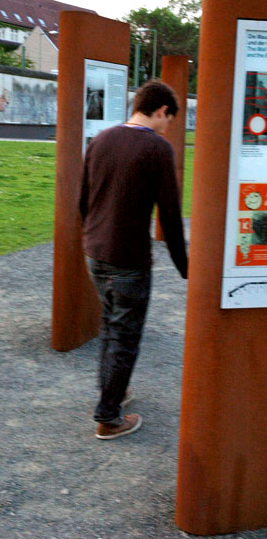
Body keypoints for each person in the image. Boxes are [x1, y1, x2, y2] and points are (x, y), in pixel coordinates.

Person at [79, 80, 188, 440]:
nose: (168, 127)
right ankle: (108, 417)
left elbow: (83, 200)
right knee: (124, 334)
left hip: (95, 253)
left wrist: (92, 237)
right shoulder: (157, 148)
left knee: (111, 325)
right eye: (169, 119)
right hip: (129, 259)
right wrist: (185, 266)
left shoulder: (101, 140)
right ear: (160, 111)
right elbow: (170, 216)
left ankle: (115, 390)